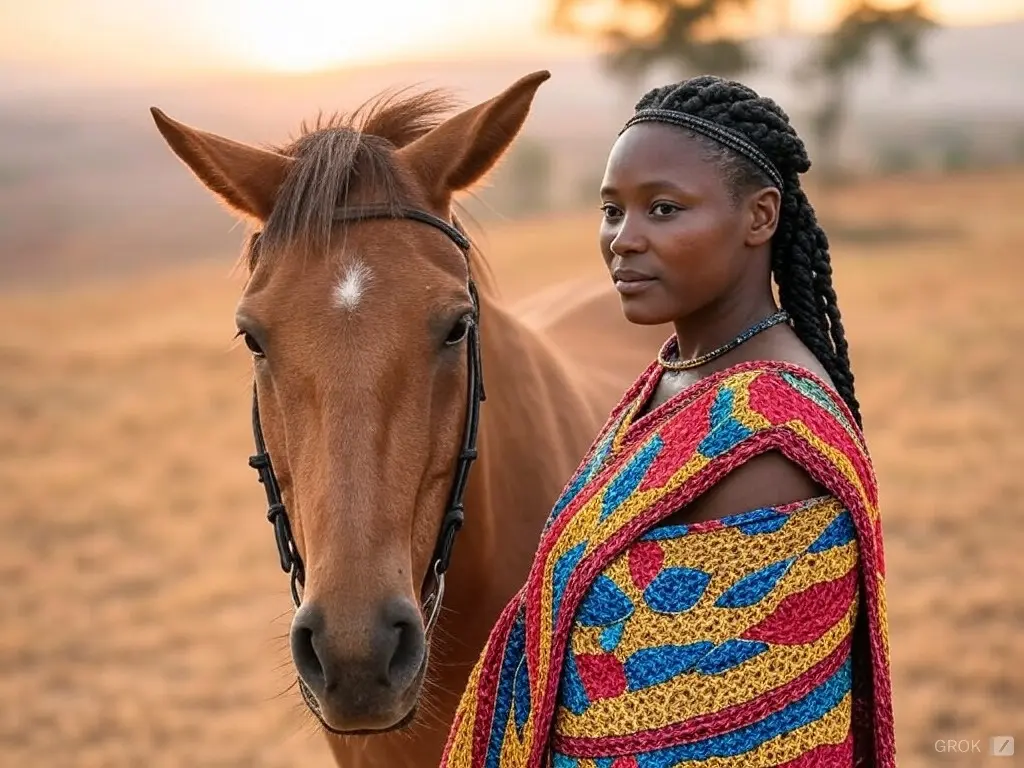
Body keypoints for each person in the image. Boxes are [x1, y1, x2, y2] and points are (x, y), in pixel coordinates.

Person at [439, 76, 894, 768]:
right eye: (612, 210)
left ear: (760, 217)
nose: (624, 239)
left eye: (662, 209)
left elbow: (693, 729)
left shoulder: (767, 444)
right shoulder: (683, 370)